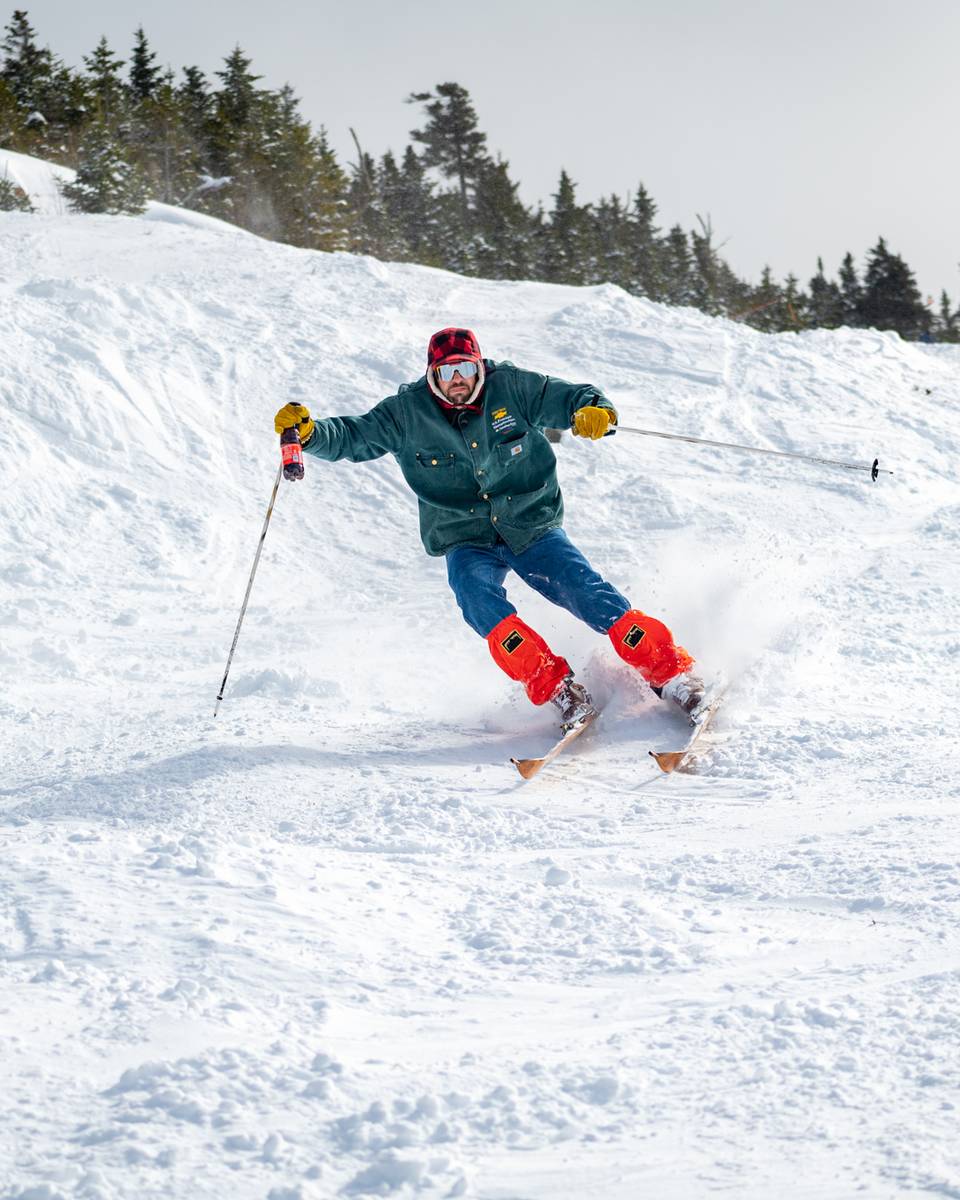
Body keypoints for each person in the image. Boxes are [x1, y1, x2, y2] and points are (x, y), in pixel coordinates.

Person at [274, 328, 705, 732]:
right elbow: (352, 436)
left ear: (481, 367)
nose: (457, 380)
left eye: (466, 369)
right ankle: (557, 687)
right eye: (446, 373)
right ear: (431, 376)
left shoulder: (512, 387)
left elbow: (574, 398)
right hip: (464, 535)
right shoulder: (406, 413)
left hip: (529, 522)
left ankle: (671, 674)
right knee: (478, 602)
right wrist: (311, 435)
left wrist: (595, 411)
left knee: (584, 590)